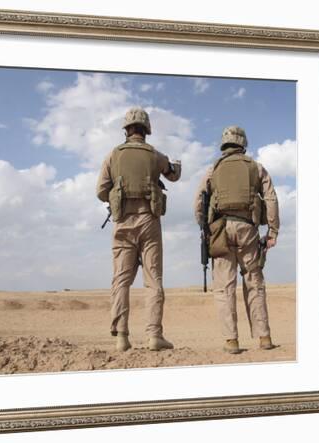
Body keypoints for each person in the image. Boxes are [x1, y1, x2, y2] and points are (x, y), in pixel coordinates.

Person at [96, 107, 181, 352]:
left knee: (121, 280)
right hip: (149, 222)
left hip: (122, 222)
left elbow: (101, 191)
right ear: (147, 130)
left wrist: (117, 195)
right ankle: (154, 336)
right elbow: (174, 175)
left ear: (126, 129)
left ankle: (121, 336)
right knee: (153, 280)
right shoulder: (155, 155)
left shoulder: (113, 154)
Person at [194, 125, 280, 354]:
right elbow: (271, 198)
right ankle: (264, 338)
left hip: (220, 230)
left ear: (224, 144)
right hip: (248, 229)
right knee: (254, 283)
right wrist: (272, 231)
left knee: (224, 288)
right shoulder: (257, 168)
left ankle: (231, 341)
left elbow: (198, 202)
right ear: (243, 143)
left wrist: (204, 228)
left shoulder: (214, 168)